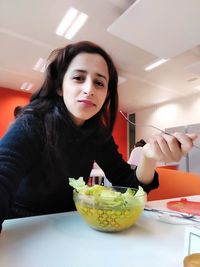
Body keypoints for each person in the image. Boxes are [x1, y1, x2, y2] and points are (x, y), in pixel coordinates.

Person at [0, 41, 197, 230]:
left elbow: (127, 185)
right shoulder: (32, 124)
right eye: (78, 78)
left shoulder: (97, 133)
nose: (89, 90)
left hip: (73, 225)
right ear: (60, 86)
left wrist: (147, 157)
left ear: (106, 96)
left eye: (99, 83)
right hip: (22, 226)